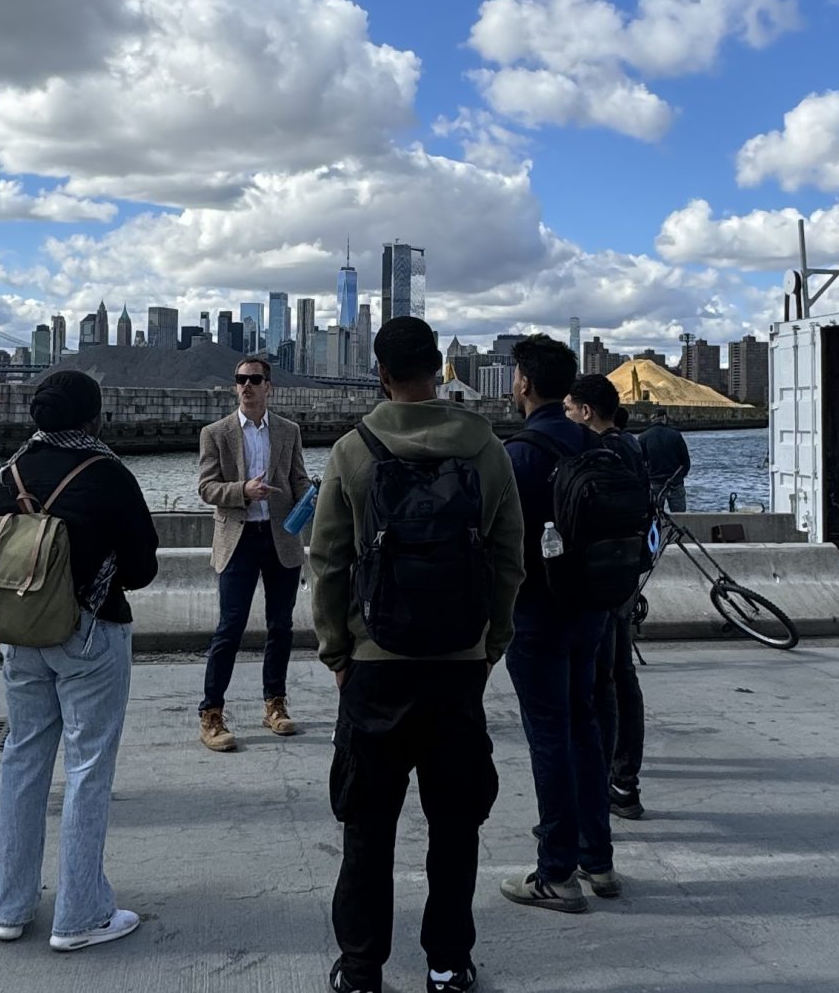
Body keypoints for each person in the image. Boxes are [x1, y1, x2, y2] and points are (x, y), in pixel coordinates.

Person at [312, 317, 525, 993]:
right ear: (438, 369)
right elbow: (509, 559)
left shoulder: (353, 450)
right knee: (455, 824)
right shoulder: (487, 448)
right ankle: (448, 964)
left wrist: (338, 654)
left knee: (367, 826)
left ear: (381, 374)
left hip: (376, 665)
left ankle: (360, 971)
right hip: (458, 665)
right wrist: (491, 645)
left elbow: (328, 562)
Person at [0, 372, 160, 950]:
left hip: (20, 633)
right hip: (90, 632)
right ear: (92, 418)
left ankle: (10, 908)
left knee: (22, 760)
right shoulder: (107, 473)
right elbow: (142, 566)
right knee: (87, 769)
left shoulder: (8, 474)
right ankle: (80, 915)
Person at [499, 334, 618, 911]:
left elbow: (496, 542)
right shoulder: (596, 445)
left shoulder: (517, 455)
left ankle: (556, 873)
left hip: (535, 612)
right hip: (592, 609)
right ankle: (599, 860)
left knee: (549, 736)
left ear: (524, 383)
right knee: (584, 727)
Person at [194, 356, 312, 751]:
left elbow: (297, 478)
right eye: (240, 379)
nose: (246, 385)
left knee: (281, 625)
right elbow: (207, 488)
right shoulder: (216, 433)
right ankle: (211, 713)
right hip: (239, 539)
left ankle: (274, 704)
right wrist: (242, 490)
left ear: (268, 387)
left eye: (254, 379)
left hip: (280, 537)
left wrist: (312, 497)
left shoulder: (288, 431)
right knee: (230, 627)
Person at [565, 376, 648, 822]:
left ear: (586, 412)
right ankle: (625, 779)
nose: (567, 417)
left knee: (603, 681)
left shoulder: (597, 452)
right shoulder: (632, 446)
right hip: (627, 570)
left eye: (569, 410)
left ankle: (609, 781)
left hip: (600, 577)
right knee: (623, 676)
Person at [636, 409, 690, 513]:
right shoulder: (676, 435)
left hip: (654, 483)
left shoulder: (643, 437)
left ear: (652, 419)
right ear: (664, 418)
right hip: (675, 482)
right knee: (679, 516)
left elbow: (640, 464)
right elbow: (686, 462)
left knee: (654, 515)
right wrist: (679, 477)